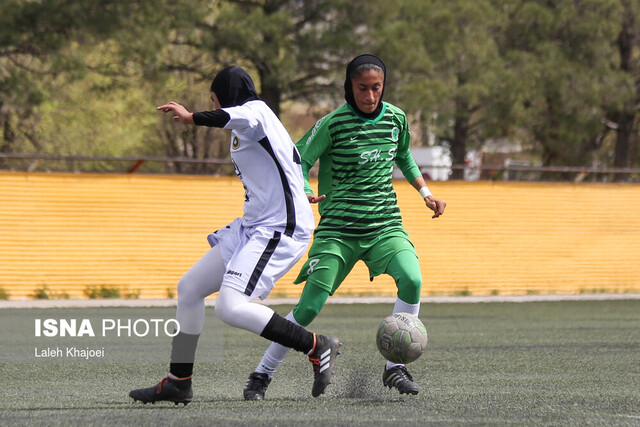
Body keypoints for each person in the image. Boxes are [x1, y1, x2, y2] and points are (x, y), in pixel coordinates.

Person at [129, 65, 341, 405]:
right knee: (189, 288)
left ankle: (316, 345)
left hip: (279, 228)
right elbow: (286, 164)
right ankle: (178, 382)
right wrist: (298, 190)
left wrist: (192, 116)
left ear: (226, 96)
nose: (214, 104)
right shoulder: (250, 123)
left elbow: (237, 117)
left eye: (215, 99)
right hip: (253, 225)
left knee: (229, 306)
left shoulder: (255, 112)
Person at [242, 54, 446, 400]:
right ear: (349, 87)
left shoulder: (396, 118)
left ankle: (394, 368)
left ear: (384, 86)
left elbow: (404, 156)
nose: (369, 95)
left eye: (376, 88)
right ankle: (261, 375)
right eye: (362, 88)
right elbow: (299, 159)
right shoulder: (333, 124)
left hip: (384, 226)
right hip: (338, 231)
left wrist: (425, 192)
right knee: (308, 307)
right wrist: (305, 189)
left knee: (412, 279)